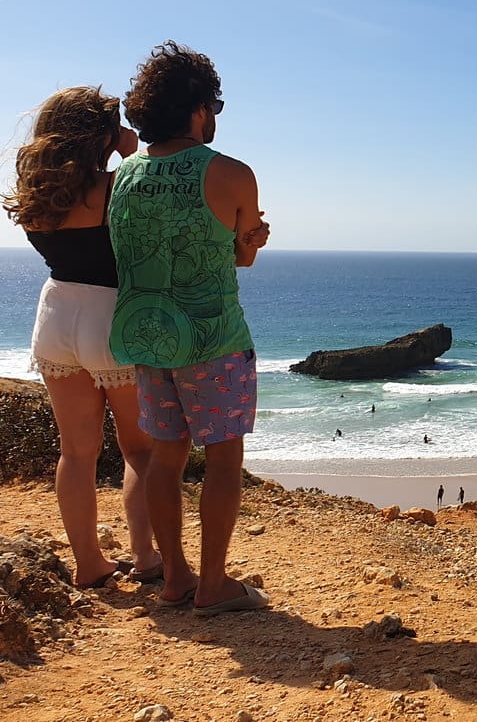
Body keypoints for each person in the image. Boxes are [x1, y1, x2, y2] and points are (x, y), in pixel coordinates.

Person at [110, 41, 270, 616]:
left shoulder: (124, 177)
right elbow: (238, 258)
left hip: (149, 337)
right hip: (213, 340)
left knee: (164, 457)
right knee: (223, 461)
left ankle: (175, 576)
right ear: (199, 109)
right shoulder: (231, 174)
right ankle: (214, 584)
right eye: (214, 108)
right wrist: (251, 244)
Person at [2, 86, 161, 589]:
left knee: (75, 453)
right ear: (101, 133)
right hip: (110, 316)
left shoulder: (37, 191)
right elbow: (150, 222)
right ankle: (146, 556)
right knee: (140, 451)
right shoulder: (117, 185)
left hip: (55, 315)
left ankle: (89, 563)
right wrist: (130, 154)